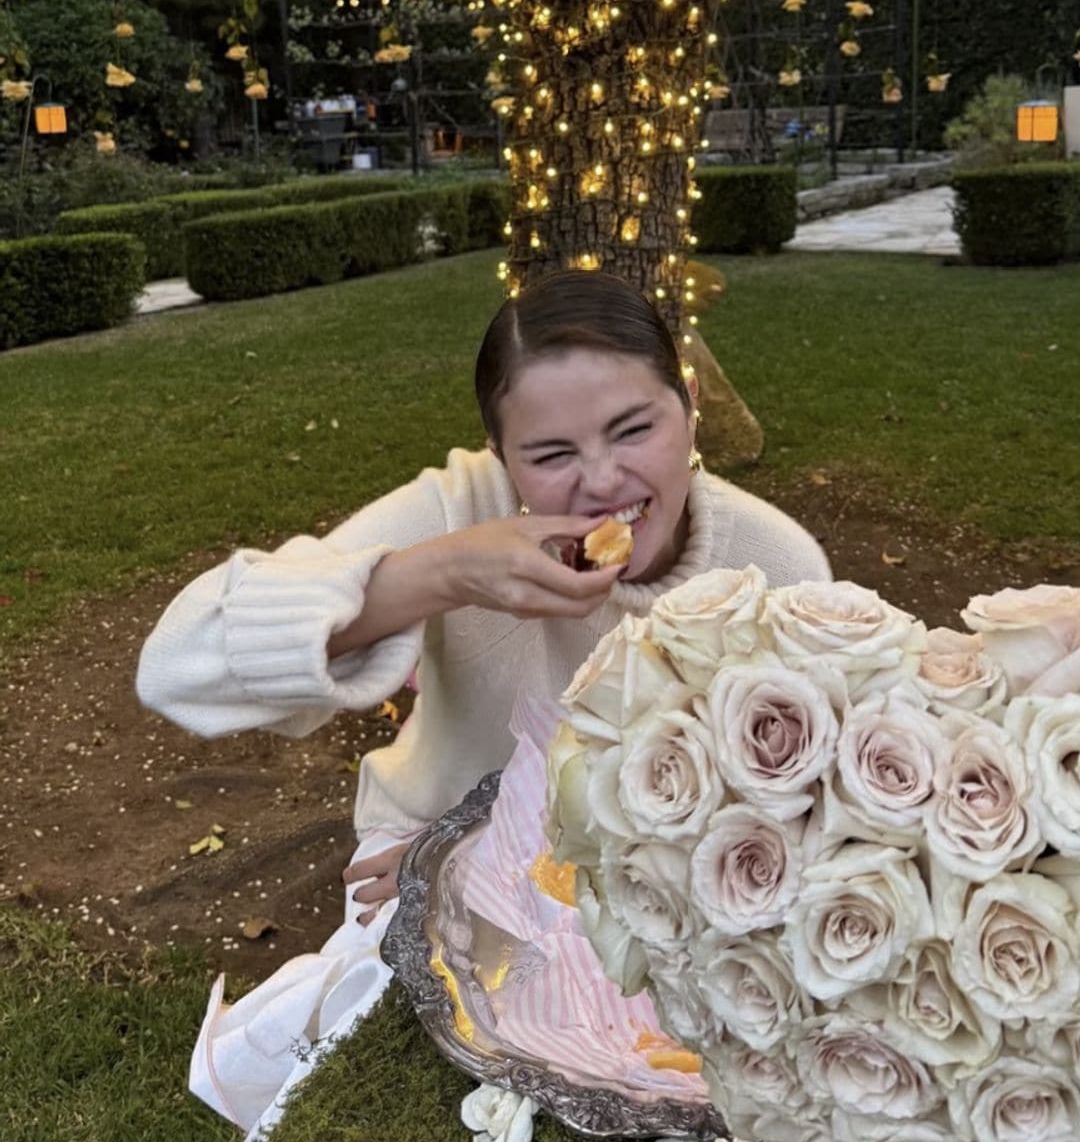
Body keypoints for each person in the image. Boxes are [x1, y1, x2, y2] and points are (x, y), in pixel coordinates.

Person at [136, 269, 830, 1137]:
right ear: (501, 455)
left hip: (654, 888)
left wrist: (498, 848)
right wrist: (443, 570)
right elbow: (179, 662)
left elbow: (784, 812)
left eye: (635, 429)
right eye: (550, 455)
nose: (603, 480)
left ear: (689, 405)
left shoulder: (777, 562)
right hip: (424, 874)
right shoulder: (460, 508)